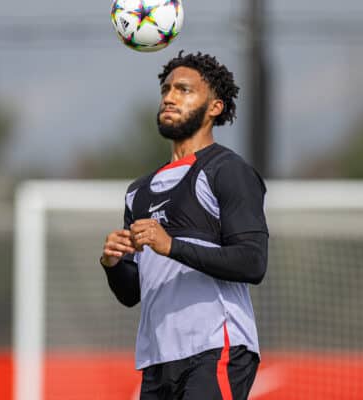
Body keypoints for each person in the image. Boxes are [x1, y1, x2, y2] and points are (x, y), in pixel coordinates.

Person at [100, 51, 269, 400]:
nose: (169, 97)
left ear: (215, 108)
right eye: (166, 89)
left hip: (215, 350)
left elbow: (253, 262)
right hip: (158, 360)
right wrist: (113, 265)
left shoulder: (227, 170)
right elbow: (131, 294)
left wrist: (171, 246)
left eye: (184, 89)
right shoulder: (138, 192)